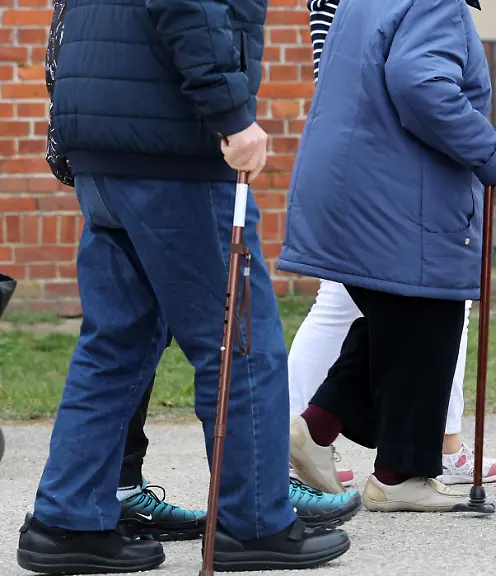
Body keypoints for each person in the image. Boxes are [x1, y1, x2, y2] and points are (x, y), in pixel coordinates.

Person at [17, 0, 353, 570]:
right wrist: (233, 114)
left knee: (115, 346)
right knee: (239, 343)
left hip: (105, 141)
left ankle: (67, 521)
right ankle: (254, 525)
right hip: (172, 144)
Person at [277, 0, 496, 512]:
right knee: (430, 316)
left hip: (359, 180)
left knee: (398, 324)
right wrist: (490, 151)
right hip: (398, 190)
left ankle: (317, 429)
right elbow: (421, 85)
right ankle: (399, 475)